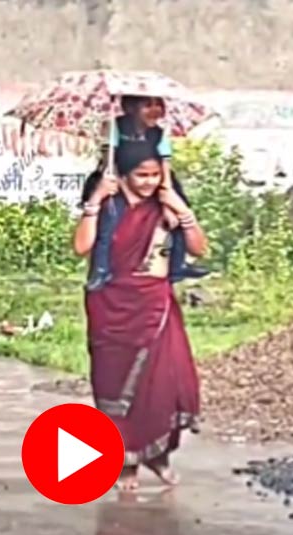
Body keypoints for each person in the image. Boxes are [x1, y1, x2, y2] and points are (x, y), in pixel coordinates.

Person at [73, 141, 206, 491]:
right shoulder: (109, 205)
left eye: (154, 175)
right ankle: (125, 462)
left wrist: (179, 207)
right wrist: (96, 199)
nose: (148, 182)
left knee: (166, 383)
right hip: (111, 305)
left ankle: (157, 455)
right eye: (140, 175)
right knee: (114, 385)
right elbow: (81, 247)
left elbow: (198, 248)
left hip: (155, 303)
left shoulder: (165, 206)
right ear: (124, 173)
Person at [84, 95, 207, 291]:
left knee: (179, 213)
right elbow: (110, 162)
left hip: (156, 180)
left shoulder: (159, 133)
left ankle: (178, 265)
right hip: (118, 180)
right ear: (131, 107)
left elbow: (165, 165)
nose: (155, 110)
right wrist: (125, 191)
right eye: (147, 105)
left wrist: (167, 198)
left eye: (158, 105)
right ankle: (100, 269)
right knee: (110, 220)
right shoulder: (115, 127)